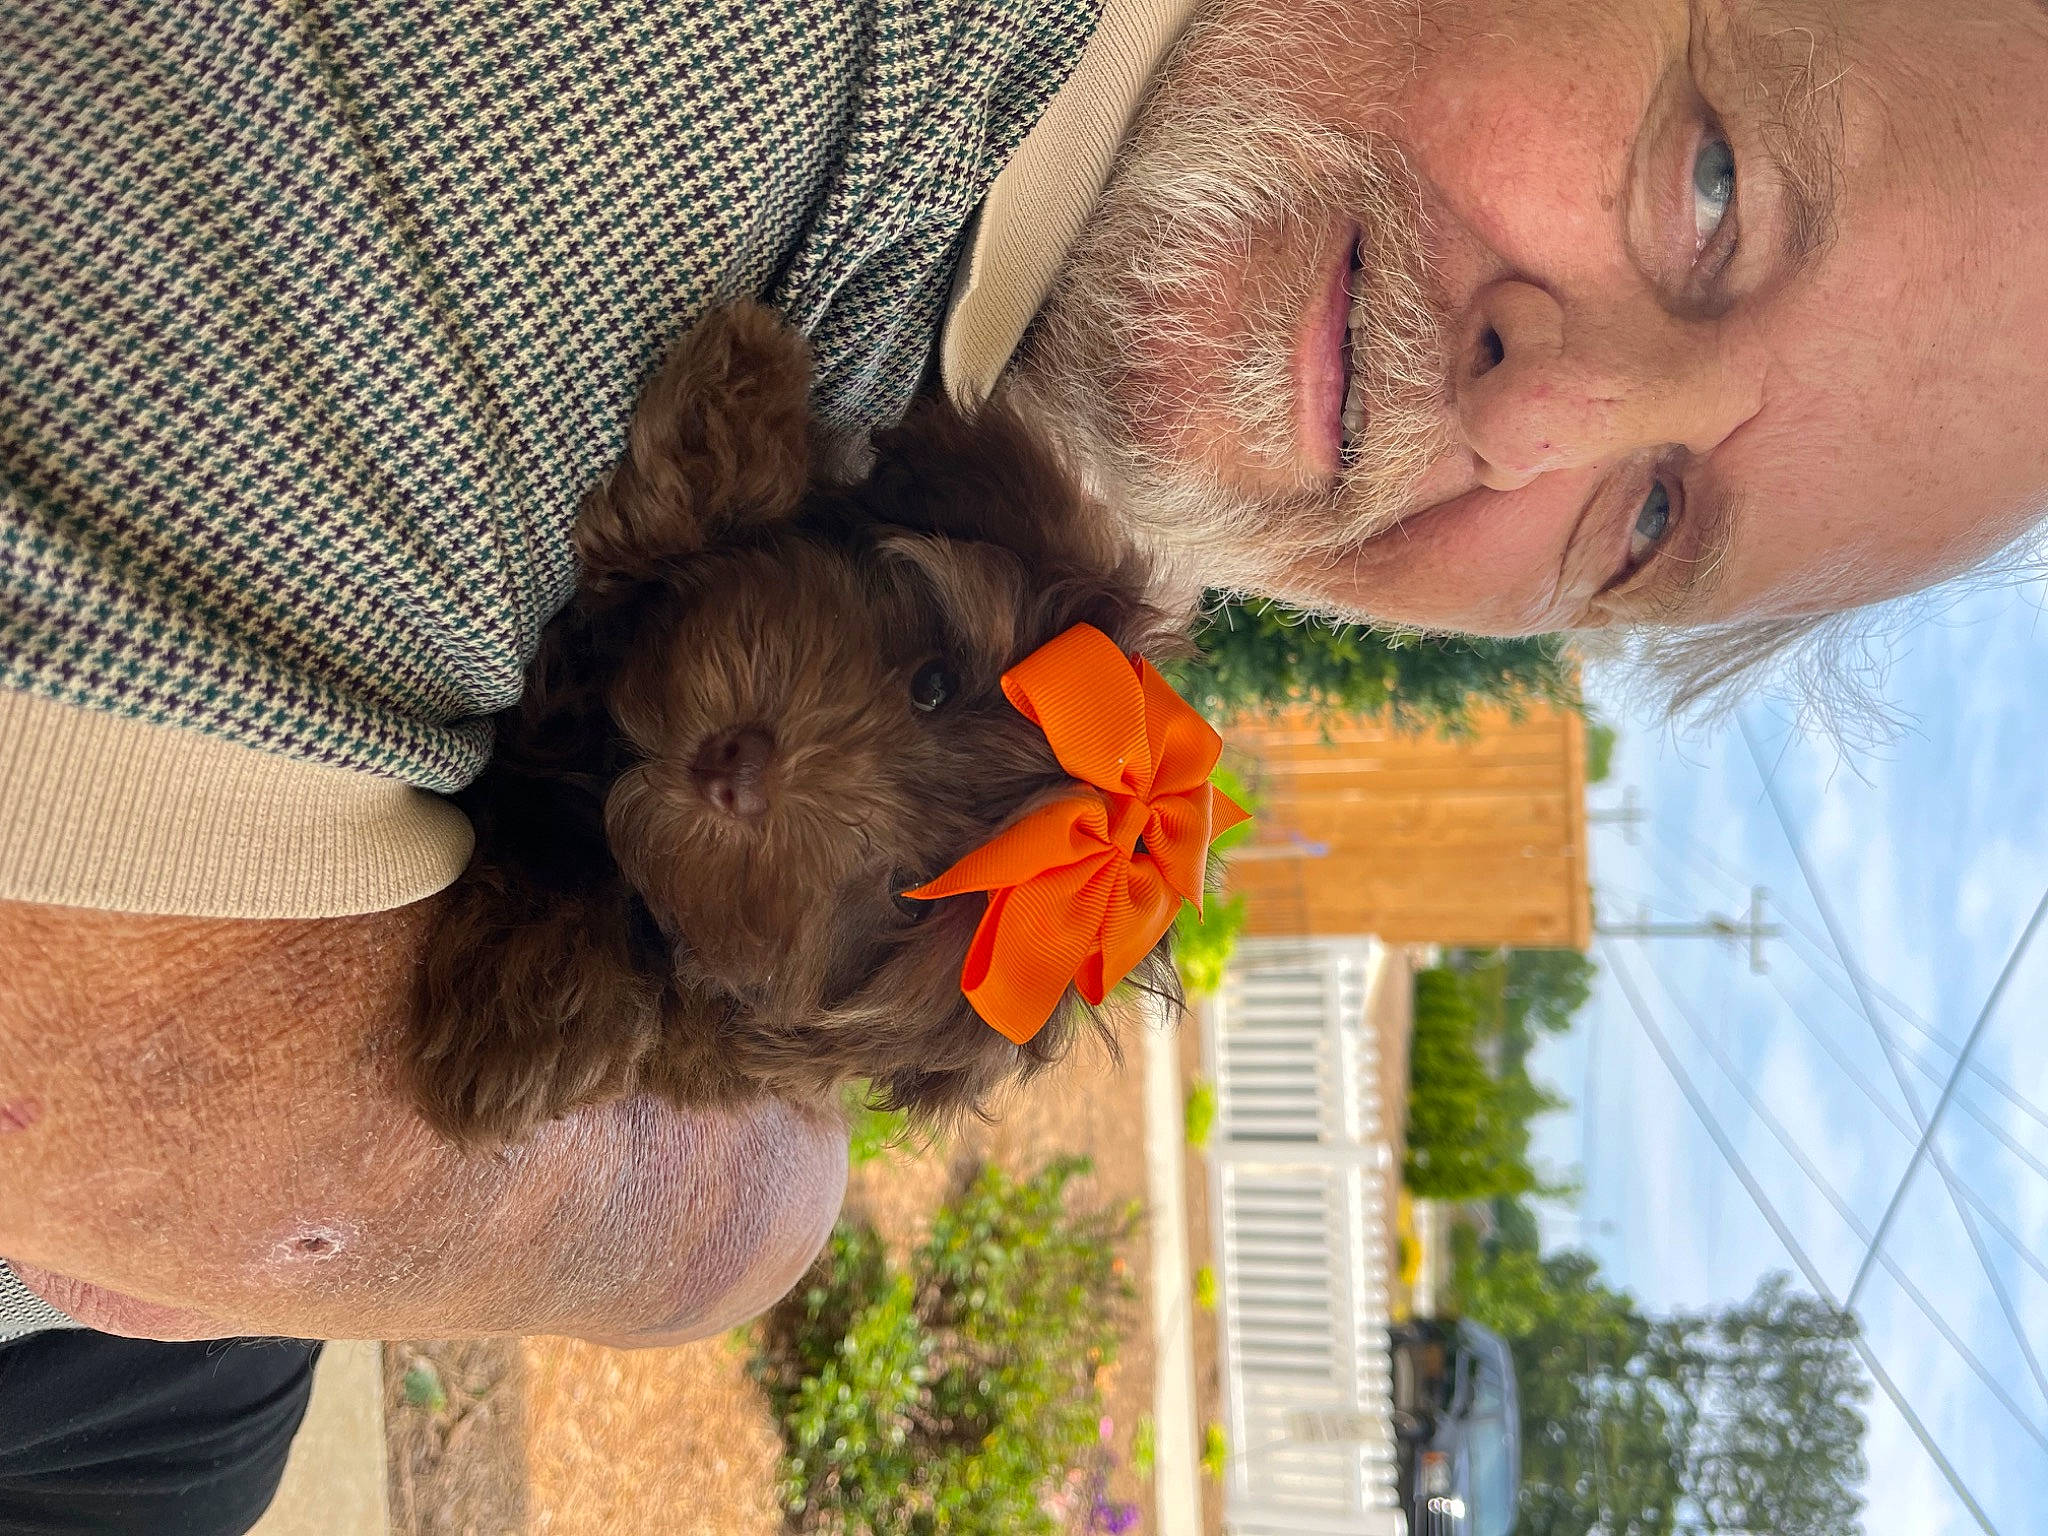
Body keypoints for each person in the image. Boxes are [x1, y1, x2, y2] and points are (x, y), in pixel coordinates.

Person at [5, 0, 2046, 1527]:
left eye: (1652, 521)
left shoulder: (1004, 363)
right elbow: (181, 1125)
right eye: (1712, 184)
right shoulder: (701, 75)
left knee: (195, 1443)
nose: (1543, 421)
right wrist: (739, 1211)